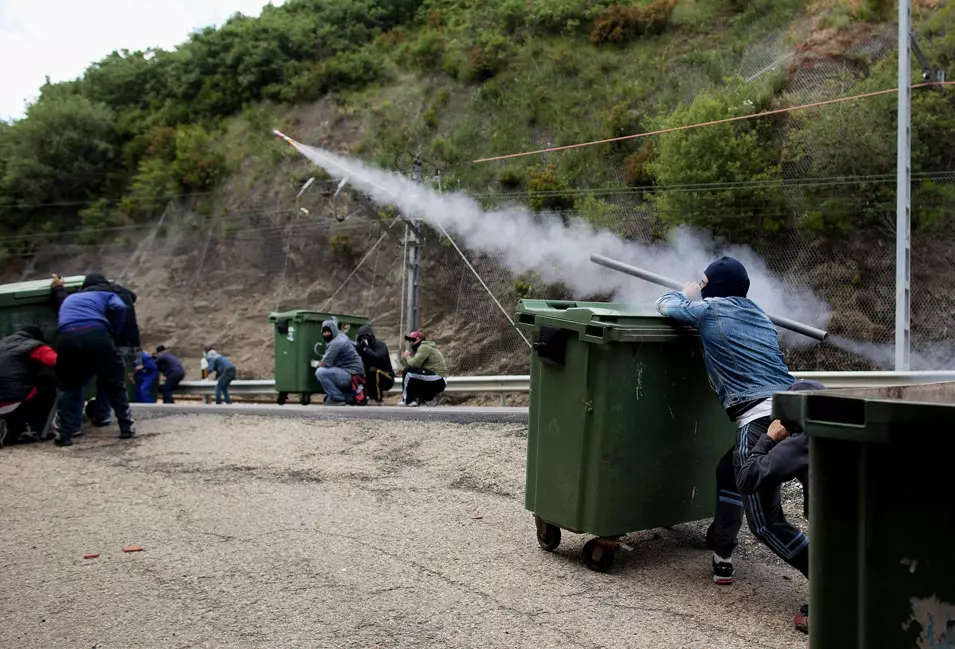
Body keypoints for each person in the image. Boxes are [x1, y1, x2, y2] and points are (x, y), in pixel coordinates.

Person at [656, 256, 809, 632]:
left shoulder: (710, 309)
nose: (701, 288)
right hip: (792, 409)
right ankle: (722, 554)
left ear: (714, 288)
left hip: (758, 420)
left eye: (705, 283)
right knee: (729, 471)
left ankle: (832, 579)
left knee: (767, 524)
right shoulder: (759, 315)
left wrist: (686, 293)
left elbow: (666, 306)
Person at [53, 277, 136, 446]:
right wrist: (115, 329)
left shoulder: (71, 297)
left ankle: (65, 434)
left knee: (69, 386)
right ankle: (126, 427)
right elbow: (120, 307)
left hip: (68, 337)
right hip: (96, 334)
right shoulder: (107, 294)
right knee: (114, 382)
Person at [0, 326, 58, 446]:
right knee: (49, 381)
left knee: (12, 434)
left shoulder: (1, 345)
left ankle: (10, 430)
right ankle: (40, 428)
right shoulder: (36, 346)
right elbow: (60, 363)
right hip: (16, 404)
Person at [314, 320, 365, 406]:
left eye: (328, 332)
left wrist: (314, 363)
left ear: (332, 331)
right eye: (324, 332)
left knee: (320, 372)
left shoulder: (335, 343)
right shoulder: (340, 335)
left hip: (350, 376)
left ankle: (337, 398)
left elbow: (324, 363)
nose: (326, 334)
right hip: (355, 374)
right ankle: (344, 397)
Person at [399, 331, 448, 407]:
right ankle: (424, 398)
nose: (411, 343)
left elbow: (414, 364)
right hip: (436, 379)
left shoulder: (424, 347)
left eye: (413, 340)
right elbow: (413, 366)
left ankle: (407, 400)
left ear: (419, 339)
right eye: (410, 341)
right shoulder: (424, 347)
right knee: (412, 374)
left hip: (438, 377)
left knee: (408, 372)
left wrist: (407, 356)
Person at [355, 325, 395, 404]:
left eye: (366, 337)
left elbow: (379, 359)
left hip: (386, 376)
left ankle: (377, 399)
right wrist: (358, 349)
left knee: (373, 371)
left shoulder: (380, 345)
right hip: (369, 376)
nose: (364, 339)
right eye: (362, 337)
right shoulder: (361, 348)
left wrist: (367, 350)